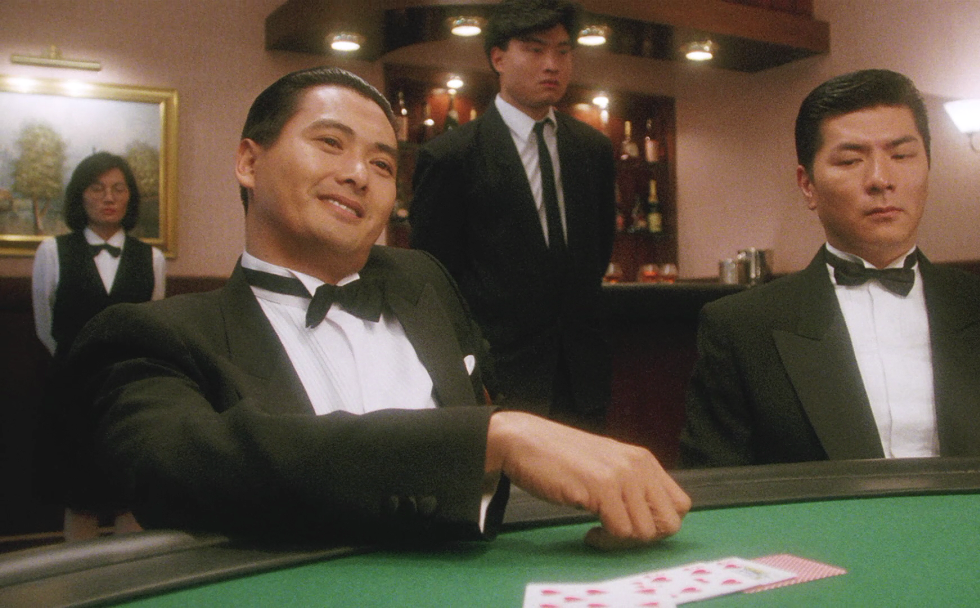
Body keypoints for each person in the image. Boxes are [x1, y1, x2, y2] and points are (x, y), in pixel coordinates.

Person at [55, 66, 689, 549]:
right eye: (331, 143)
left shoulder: (425, 282)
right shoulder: (149, 336)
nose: (359, 173)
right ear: (248, 161)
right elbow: (187, 473)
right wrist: (492, 439)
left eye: (383, 164)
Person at [680, 69, 980, 467]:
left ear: (928, 165)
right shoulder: (741, 329)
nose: (881, 180)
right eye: (851, 160)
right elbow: (717, 486)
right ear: (807, 186)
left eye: (901, 156)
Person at [409, 0, 616, 431]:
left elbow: (597, 252)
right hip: (498, 376)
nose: (552, 64)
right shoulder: (451, 155)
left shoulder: (592, 149)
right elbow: (435, 279)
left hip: (583, 375)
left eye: (563, 52)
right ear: (498, 58)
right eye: (535, 50)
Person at [32, 151, 165, 540]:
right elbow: (46, 327)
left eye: (118, 189)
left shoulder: (152, 258)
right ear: (81, 195)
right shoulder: (52, 252)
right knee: (80, 500)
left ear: (129, 197)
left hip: (129, 395)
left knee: (130, 498)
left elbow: (150, 327)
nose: (109, 197)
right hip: (71, 392)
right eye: (97, 188)